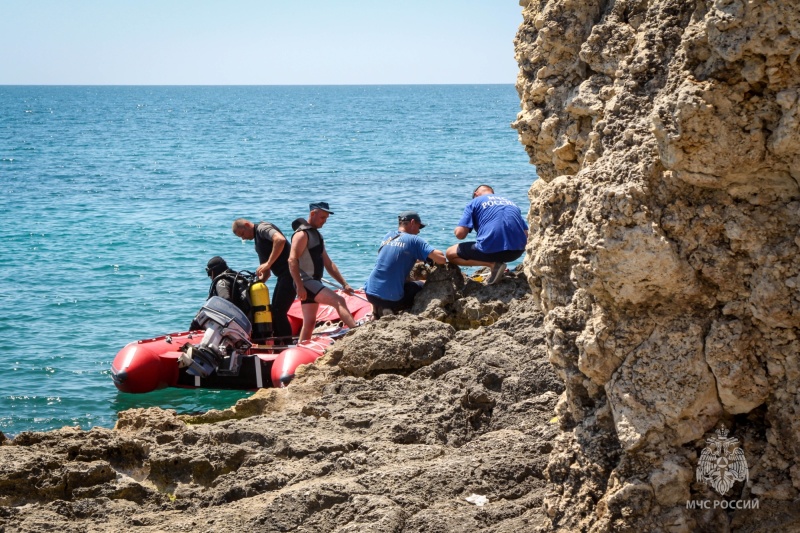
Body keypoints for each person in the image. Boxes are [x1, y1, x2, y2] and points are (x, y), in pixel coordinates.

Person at [288, 201, 357, 342]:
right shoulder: (301, 235)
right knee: (339, 301)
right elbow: (291, 260)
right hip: (306, 282)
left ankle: (302, 348)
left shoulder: (317, 236)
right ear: (313, 214)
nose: (324, 221)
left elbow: (328, 263)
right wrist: (299, 286)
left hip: (313, 282)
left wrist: (344, 284)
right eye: (322, 217)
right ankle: (357, 333)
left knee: (309, 322)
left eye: (326, 218)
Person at [364, 211, 446, 317]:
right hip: (392, 299)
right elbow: (441, 259)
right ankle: (390, 307)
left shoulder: (388, 236)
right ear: (412, 222)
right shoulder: (414, 240)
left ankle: (377, 308)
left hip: (370, 294)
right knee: (423, 285)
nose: (418, 231)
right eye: (419, 227)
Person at [446, 184, 528, 285]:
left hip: (491, 252)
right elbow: (526, 234)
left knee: (450, 254)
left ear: (476, 194)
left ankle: (492, 264)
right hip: (516, 252)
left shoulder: (474, 202)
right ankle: (497, 265)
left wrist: (456, 229)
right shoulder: (511, 203)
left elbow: (460, 235)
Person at [231, 218, 295, 340]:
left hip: (292, 274)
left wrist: (269, 263)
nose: (243, 239)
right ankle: (279, 341)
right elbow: (266, 273)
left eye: (243, 234)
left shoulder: (262, 228)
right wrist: (254, 286)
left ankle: (287, 343)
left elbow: (280, 240)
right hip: (283, 276)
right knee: (273, 310)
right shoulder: (258, 244)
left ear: (247, 225)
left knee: (279, 312)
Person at [189, 256, 248, 330]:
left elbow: (226, 302)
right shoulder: (237, 278)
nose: (210, 277)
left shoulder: (221, 282)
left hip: (235, 326)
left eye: (209, 273)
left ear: (213, 272)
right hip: (245, 323)